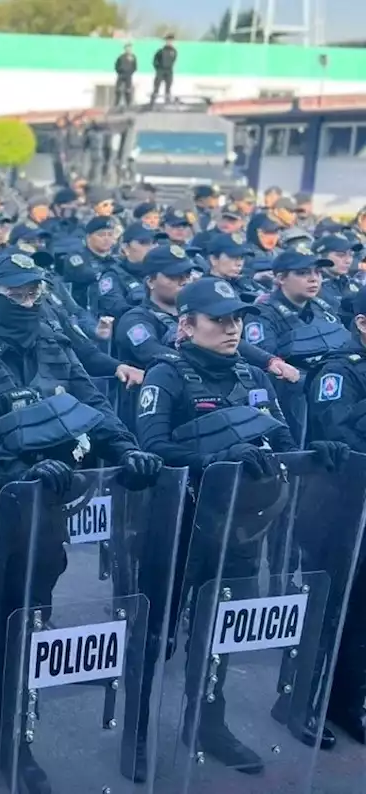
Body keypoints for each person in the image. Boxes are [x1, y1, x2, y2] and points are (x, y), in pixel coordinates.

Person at [0, 250, 163, 794]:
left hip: (43, 517)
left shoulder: (54, 342)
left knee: (29, 630)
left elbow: (94, 403)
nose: (29, 301)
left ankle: (16, 739)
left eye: (35, 292)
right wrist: (21, 473)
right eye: (16, 293)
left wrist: (127, 450)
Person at [131, 276, 348, 776]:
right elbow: (153, 448)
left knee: (219, 631)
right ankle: (139, 730)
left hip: (241, 526)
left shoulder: (254, 376)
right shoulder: (167, 375)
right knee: (159, 635)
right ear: (187, 325)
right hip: (180, 527)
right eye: (219, 320)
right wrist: (217, 458)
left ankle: (206, 721)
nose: (232, 329)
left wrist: (315, 454)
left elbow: (281, 440)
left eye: (236, 320)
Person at [305, 286, 366, 745]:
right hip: (341, 509)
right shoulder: (339, 372)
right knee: (328, 607)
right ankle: (303, 702)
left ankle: (347, 700)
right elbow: (337, 435)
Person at [246, 245, 353, 445]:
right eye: (303, 273)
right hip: (293, 393)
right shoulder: (262, 313)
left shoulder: (323, 307)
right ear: (280, 278)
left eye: (317, 273)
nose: (314, 279)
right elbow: (265, 362)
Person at [152, 34, 177, 102]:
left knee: (168, 88)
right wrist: (158, 68)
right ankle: (152, 102)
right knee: (156, 87)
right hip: (161, 70)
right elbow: (155, 60)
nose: (170, 42)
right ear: (166, 41)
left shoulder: (174, 51)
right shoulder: (161, 51)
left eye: (171, 41)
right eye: (168, 41)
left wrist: (169, 67)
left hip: (169, 71)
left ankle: (167, 102)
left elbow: (173, 60)